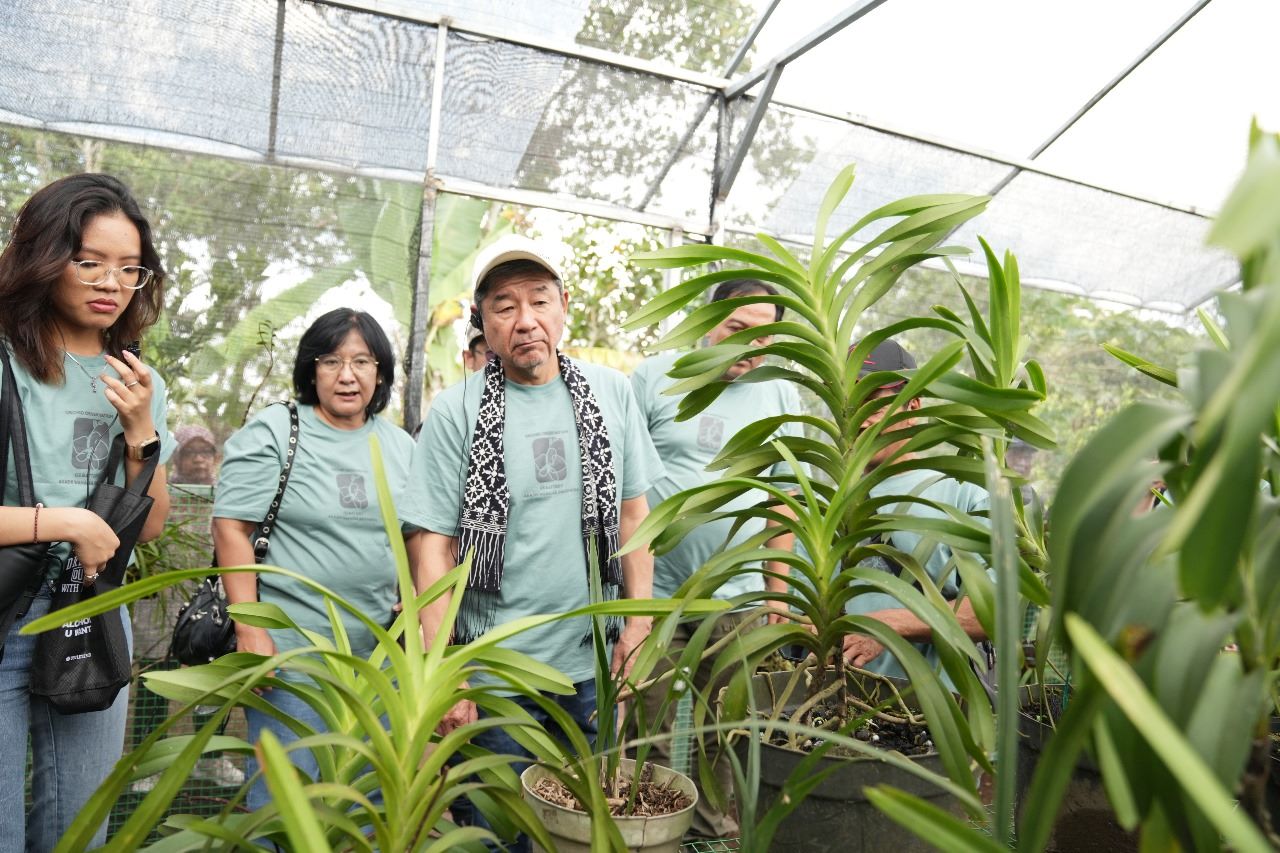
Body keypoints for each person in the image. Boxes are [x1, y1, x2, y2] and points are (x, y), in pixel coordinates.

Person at [401, 234, 662, 852]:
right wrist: (445, 672)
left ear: (563, 306)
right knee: (497, 834)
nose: (525, 322)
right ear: (483, 323)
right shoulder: (456, 411)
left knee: (587, 828)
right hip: (494, 672)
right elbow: (431, 546)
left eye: (539, 301)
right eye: (504, 306)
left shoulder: (612, 393)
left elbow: (633, 516)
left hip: (591, 666)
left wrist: (639, 624)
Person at [0, 173, 173, 850]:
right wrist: (65, 521)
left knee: (80, 830)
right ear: (45, 256)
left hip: (92, 612)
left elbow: (150, 524)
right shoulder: (9, 362)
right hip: (6, 605)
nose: (112, 282)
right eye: (90, 261)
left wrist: (139, 432)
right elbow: (80, 524)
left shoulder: (137, 378)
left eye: (129, 268)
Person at [212, 308, 415, 810]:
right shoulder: (278, 430)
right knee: (287, 801)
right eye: (331, 361)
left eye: (362, 361)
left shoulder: (400, 446)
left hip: (376, 660)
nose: (347, 375)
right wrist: (250, 629)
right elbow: (231, 527)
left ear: (381, 373)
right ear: (311, 370)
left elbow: (415, 539)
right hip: (291, 653)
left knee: (362, 800)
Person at [629, 278, 800, 840]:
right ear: (709, 321)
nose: (754, 348)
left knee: (723, 729)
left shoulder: (779, 394)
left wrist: (778, 591)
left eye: (766, 337)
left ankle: (706, 836)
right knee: (647, 726)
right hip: (657, 594)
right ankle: (649, 836)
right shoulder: (657, 376)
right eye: (739, 330)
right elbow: (620, 485)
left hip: (739, 598)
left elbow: (784, 501)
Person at [842, 339, 991, 679]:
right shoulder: (829, 508)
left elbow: (991, 613)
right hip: (836, 706)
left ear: (913, 407)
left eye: (872, 405)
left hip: (932, 711)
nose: (860, 421)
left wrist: (887, 624)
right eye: (849, 407)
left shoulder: (961, 496)